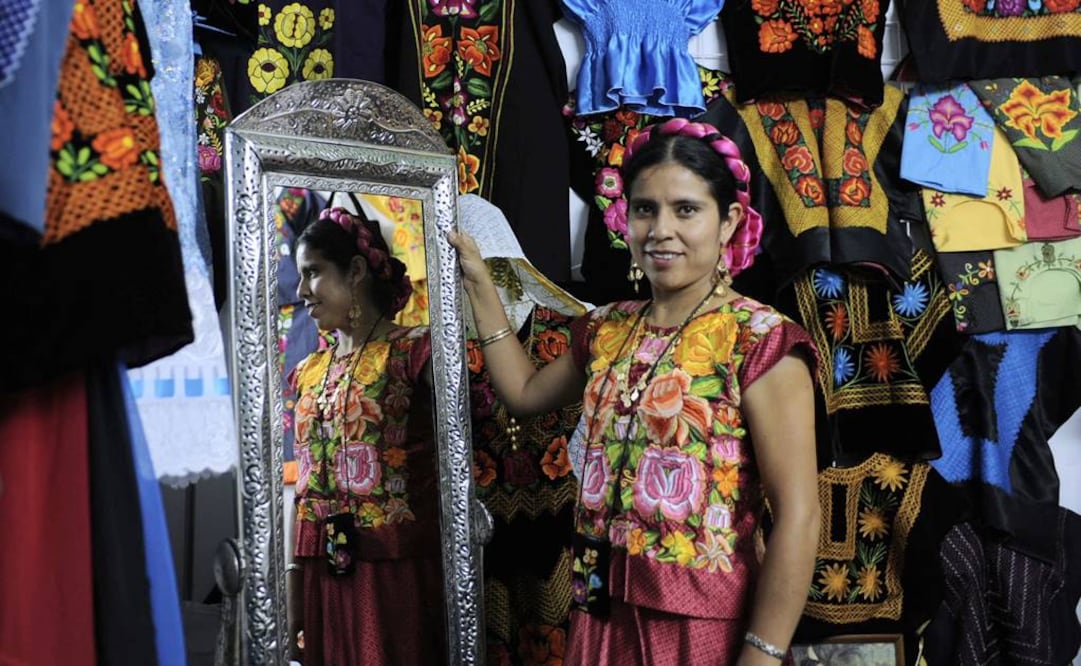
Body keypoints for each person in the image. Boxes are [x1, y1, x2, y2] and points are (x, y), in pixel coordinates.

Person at [450, 118, 821, 665]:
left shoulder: (760, 341)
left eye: (686, 209)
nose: (660, 229)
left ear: (729, 222)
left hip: (699, 631)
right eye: (645, 208)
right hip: (600, 613)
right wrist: (483, 288)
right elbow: (525, 394)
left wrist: (762, 655)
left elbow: (798, 515)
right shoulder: (606, 328)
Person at [286, 206, 444, 665]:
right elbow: (304, 491)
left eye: (312, 273)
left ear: (355, 271)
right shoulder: (306, 373)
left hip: (393, 576)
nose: (301, 292)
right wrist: (294, 585)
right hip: (321, 573)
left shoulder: (415, 351)